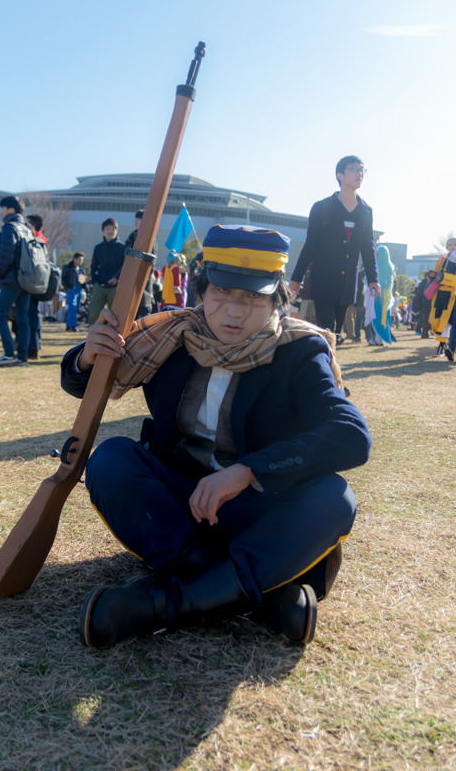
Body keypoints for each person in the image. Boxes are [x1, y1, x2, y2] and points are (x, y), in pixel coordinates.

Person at [61, 224, 372, 649]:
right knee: (110, 459)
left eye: (253, 297)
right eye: (222, 292)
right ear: (202, 290)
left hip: (259, 511)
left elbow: (350, 435)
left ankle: (167, 603)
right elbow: (84, 384)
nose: (234, 310)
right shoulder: (170, 336)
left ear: (277, 298)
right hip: (182, 507)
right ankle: (256, 591)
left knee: (334, 497)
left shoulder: (300, 350)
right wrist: (87, 356)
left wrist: (247, 471)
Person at [289, 156, 381, 341]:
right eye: (354, 169)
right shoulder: (322, 207)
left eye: (362, 170)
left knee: (336, 333)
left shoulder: (365, 211)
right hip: (323, 278)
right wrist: (295, 279)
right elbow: (310, 245)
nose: (359, 173)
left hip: (348, 282)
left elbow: (368, 247)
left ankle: (328, 366)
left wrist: (373, 278)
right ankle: (325, 368)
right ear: (340, 175)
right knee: (327, 331)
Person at [0, 195, 31, 366]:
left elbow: (6, 255)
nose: (1, 212)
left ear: (11, 210)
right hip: (27, 279)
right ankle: (22, 356)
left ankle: (8, 353)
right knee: (23, 317)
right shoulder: (27, 228)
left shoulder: (9, 227)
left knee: (0, 315)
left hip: (12, 279)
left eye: (3, 208)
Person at [88, 218, 125, 324]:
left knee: (115, 315)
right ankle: (93, 336)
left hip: (115, 286)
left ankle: (112, 337)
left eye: (113, 229)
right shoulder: (98, 248)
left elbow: (124, 266)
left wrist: (117, 278)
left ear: (117, 231)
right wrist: (95, 281)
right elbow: (94, 266)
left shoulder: (122, 248)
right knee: (94, 312)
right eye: (107, 229)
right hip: (99, 284)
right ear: (102, 231)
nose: (110, 231)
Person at [124, 209, 157, 318]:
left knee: (143, 312)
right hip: (129, 280)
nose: (136, 221)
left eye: (140, 219)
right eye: (136, 219)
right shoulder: (132, 236)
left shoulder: (150, 238)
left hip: (142, 281)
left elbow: (151, 263)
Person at [429, 236, 456, 357]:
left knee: (447, 320)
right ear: (447, 247)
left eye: (455, 245)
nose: (452, 247)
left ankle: (443, 344)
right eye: (450, 245)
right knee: (436, 317)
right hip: (439, 292)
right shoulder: (441, 260)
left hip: (451, 294)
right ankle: (443, 343)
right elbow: (438, 274)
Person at [26, 214, 48, 359]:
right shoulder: (42, 240)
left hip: (31, 282)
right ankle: (35, 343)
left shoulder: (35, 241)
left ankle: (33, 347)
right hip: (38, 282)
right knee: (35, 315)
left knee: (31, 315)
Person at [61, 252, 85, 332]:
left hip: (79, 290)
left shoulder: (81, 269)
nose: (81, 261)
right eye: (79, 259)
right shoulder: (68, 267)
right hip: (71, 290)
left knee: (76, 308)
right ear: (74, 259)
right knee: (72, 308)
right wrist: (67, 288)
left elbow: (82, 280)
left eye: (82, 260)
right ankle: (72, 326)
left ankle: (69, 325)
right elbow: (63, 278)